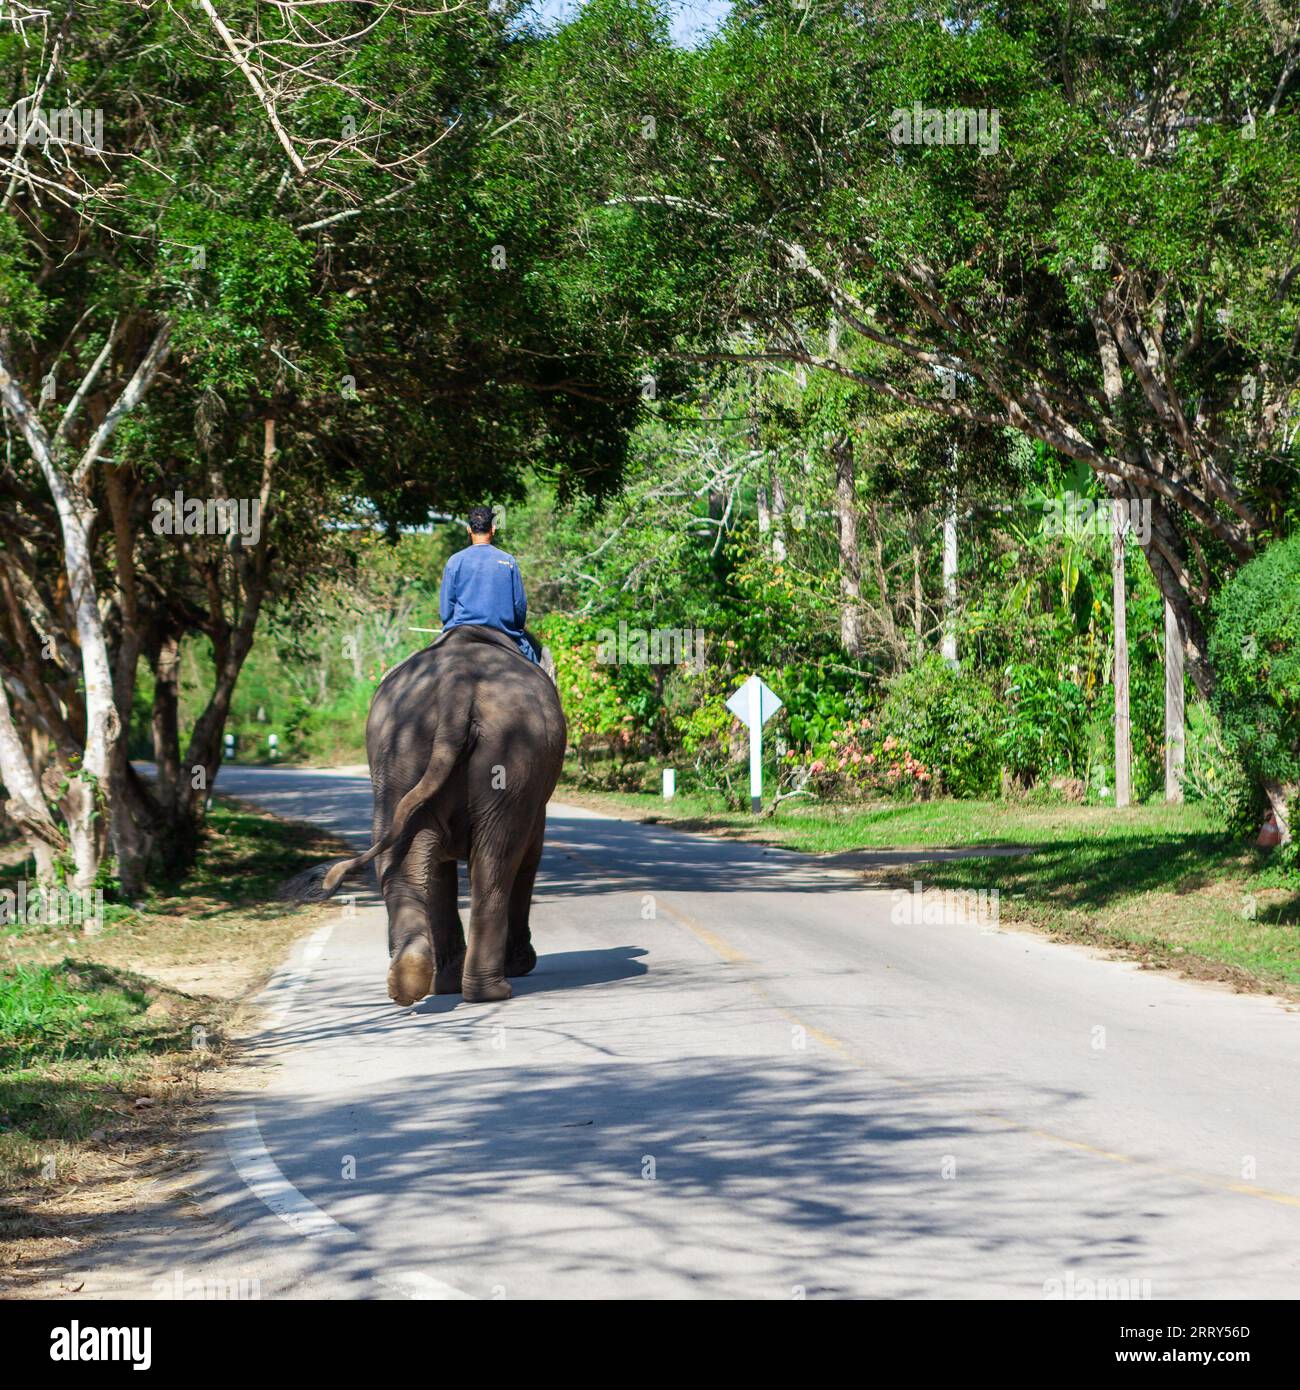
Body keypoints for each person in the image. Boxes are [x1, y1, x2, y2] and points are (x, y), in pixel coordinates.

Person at [438, 506, 539, 663]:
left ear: (468, 529)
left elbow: (446, 611)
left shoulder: (455, 561)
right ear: (493, 528)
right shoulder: (508, 561)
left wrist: (451, 627)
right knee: (537, 670)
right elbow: (519, 607)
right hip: (503, 632)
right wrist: (515, 627)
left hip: (461, 632)